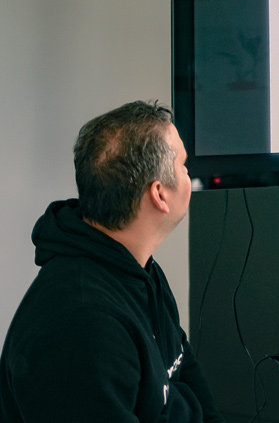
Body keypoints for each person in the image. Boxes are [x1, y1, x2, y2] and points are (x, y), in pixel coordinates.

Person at [0, 101, 225, 422]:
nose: (190, 174)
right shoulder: (82, 326)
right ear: (159, 194)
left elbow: (180, 362)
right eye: (183, 165)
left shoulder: (138, 267)